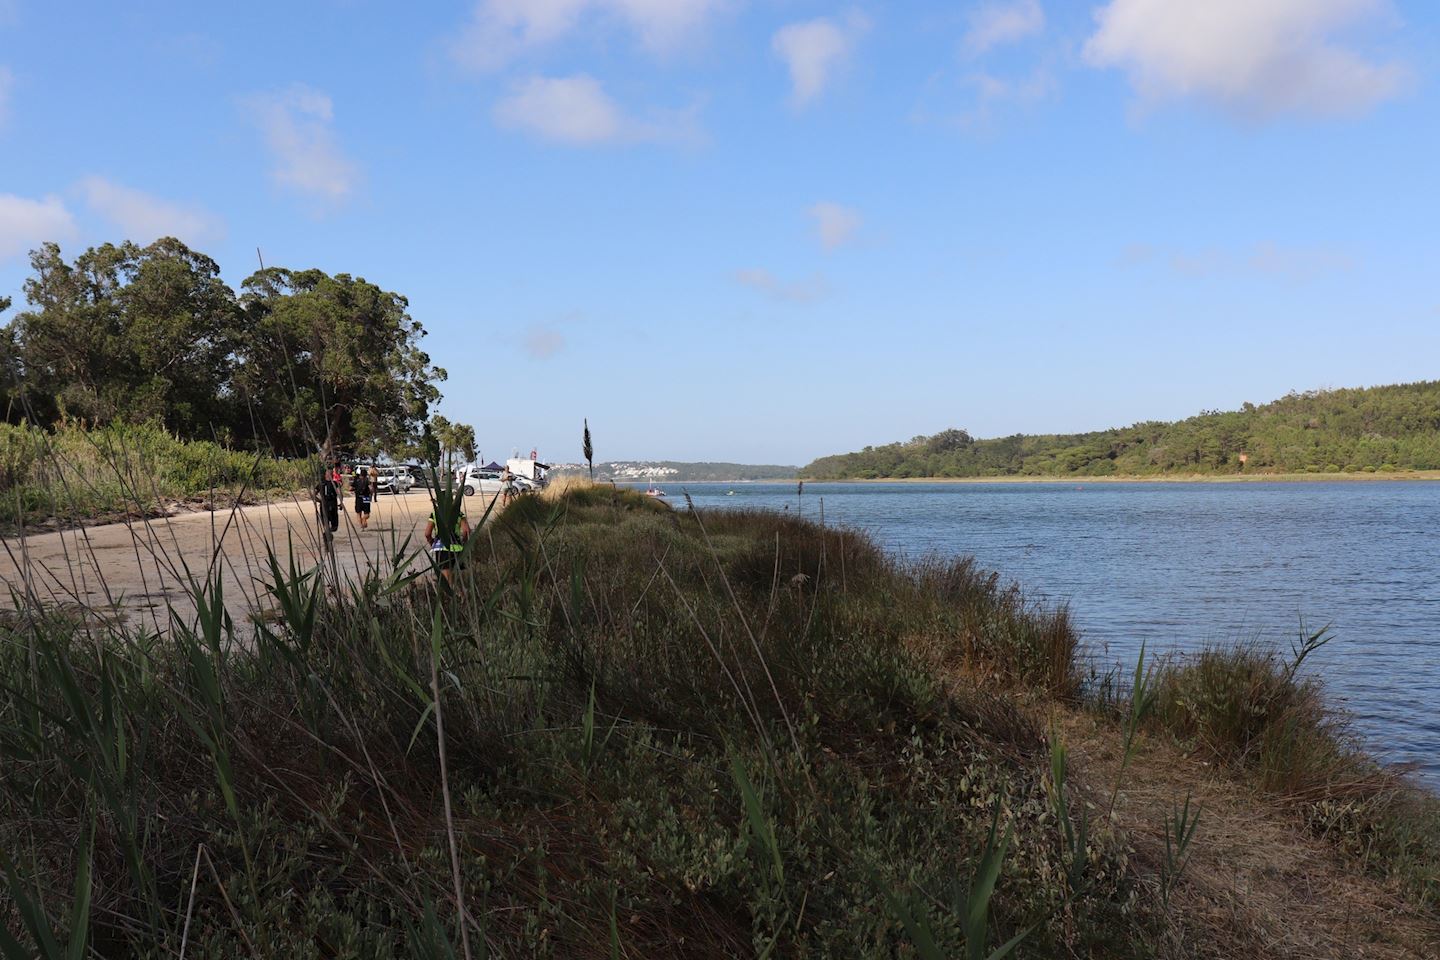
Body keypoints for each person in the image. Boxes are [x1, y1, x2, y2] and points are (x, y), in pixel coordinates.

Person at [423, 505, 470, 583]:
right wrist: (463, 542)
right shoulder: (459, 514)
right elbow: (466, 531)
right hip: (457, 547)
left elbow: (427, 533)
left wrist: (432, 543)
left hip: (442, 548)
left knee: (447, 581)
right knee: (460, 581)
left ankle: (449, 594)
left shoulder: (435, 514)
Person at [315, 464, 342, 537]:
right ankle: (328, 534)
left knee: (328, 523)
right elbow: (339, 493)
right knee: (332, 525)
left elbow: (314, 493)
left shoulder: (331, 483)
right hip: (329, 504)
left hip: (327, 504)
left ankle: (327, 533)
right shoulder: (333, 484)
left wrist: (318, 500)